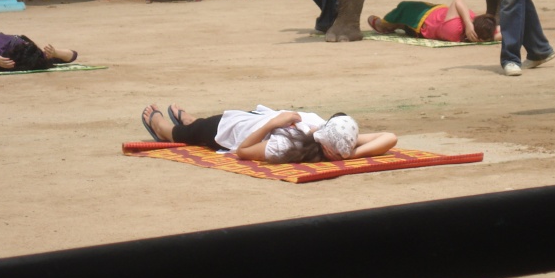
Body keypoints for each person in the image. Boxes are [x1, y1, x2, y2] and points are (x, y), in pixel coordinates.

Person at [140, 103, 397, 163]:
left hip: (237, 130)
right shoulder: (332, 140)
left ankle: (164, 126)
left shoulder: (287, 147)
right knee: (202, 125)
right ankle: (192, 121)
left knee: (182, 133)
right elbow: (389, 137)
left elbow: (243, 150)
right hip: (250, 119)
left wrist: (273, 124)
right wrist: (350, 154)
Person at [368, 0, 501, 43]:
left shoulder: (454, 30)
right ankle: (396, 25)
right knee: (404, 17)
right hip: (438, 12)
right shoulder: (481, 32)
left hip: (423, 20)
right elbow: (501, 32)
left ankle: (383, 25)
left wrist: (467, 24)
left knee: (403, 9)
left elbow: (458, 0)